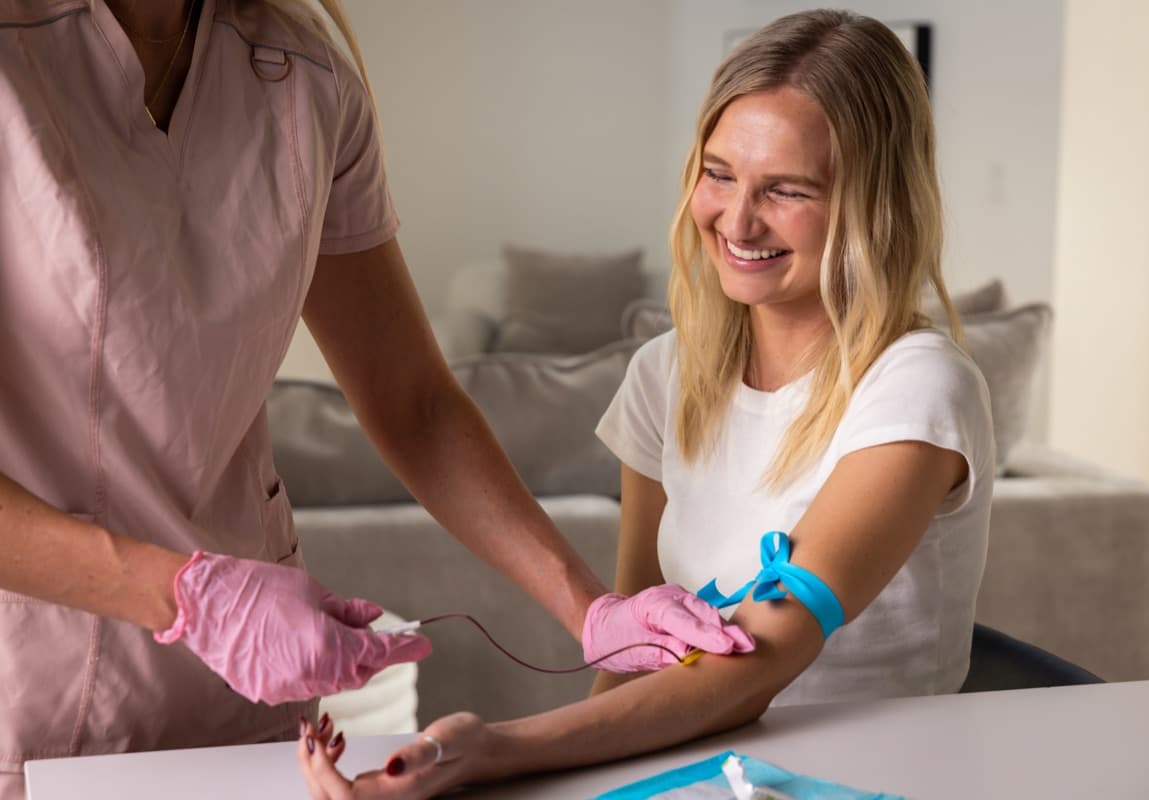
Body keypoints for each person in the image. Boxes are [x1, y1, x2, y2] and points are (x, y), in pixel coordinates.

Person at [0, 2, 752, 798]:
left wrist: (592, 611)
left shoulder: (301, 78)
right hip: (26, 698)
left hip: (244, 705)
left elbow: (414, 403)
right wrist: (187, 594)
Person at [297, 8, 996, 799]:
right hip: (706, 776)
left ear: (876, 204)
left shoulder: (917, 389)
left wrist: (492, 749)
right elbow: (631, 662)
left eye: (787, 190)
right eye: (720, 173)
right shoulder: (667, 377)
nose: (737, 219)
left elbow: (760, 661)